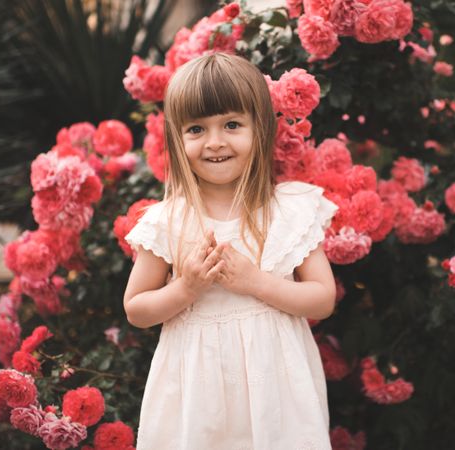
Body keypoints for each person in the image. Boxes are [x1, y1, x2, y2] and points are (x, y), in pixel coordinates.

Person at [122, 52, 338, 450]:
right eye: (196, 129)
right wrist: (185, 288)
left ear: (260, 130)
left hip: (275, 389)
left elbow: (322, 299)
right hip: (196, 392)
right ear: (177, 138)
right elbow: (136, 308)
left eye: (232, 125)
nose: (215, 142)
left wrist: (257, 282)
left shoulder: (287, 212)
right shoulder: (169, 221)